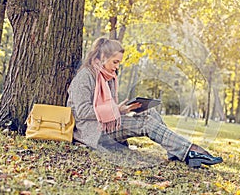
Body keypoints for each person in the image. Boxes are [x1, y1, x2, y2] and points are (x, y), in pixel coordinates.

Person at [67, 37, 223, 168]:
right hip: (92, 132)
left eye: (118, 63)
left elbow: (107, 108)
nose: (117, 66)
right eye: (115, 62)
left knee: (150, 112)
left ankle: (175, 152)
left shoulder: (108, 77)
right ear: (102, 57)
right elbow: (81, 112)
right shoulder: (85, 76)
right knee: (146, 124)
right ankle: (190, 150)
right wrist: (116, 110)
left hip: (109, 124)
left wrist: (124, 109)